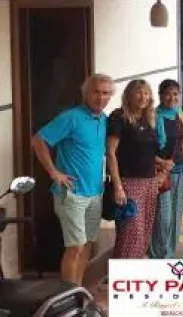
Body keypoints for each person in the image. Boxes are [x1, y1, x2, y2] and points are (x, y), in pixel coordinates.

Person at [31, 74, 114, 285]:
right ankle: (68, 296)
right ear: (85, 93)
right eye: (96, 92)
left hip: (95, 193)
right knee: (75, 246)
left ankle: (77, 291)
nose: (101, 97)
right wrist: (53, 172)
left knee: (87, 245)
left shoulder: (105, 120)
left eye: (106, 93)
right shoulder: (71, 117)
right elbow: (38, 140)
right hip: (72, 194)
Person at [106, 79, 160, 259]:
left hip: (149, 183)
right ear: (129, 95)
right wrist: (118, 186)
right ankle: (123, 272)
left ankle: (132, 271)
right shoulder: (119, 117)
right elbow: (111, 153)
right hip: (128, 182)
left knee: (144, 232)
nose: (143, 97)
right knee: (131, 232)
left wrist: (160, 172)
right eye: (139, 92)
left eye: (146, 93)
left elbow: (147, 152)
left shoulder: (148, 119)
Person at [148, 80, 183, 259]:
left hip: (179, 171)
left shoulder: (180, 115)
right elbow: (146, 148)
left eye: (175, 94)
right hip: (160, 173)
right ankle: (156, 253)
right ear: (160, 95)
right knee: (162, 217)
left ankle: (169, 254)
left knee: (175, 215)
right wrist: (161, 163)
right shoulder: (152, 116)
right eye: (167, 94)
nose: (172, 97)